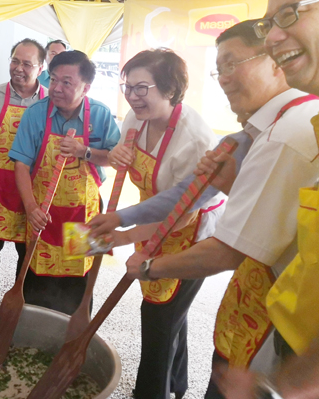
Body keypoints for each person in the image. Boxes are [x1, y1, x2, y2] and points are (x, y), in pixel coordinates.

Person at [121, 19, 319, 397]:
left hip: (270, 311)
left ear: (275, 60)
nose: (224, 78)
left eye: (232, 64)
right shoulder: (262, 130)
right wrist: (123, 219)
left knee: (164, 326)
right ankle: (176, 388)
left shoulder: (280, 136)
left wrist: (145, 262)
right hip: (253, 291)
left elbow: (211, 231)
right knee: (174, 327)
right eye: (219, 69)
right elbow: (261, 211)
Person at [211, 0, 319, 397]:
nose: (274, 37)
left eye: (291, 14)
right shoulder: (292, 125)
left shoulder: (283, 134)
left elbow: (229, 249)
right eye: (269, 23)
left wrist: (280, 387)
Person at [107, 48, 222, 399]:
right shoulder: (134, 118)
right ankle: (177, 386)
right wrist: (115, 156)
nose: (131, 97)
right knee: (173, 316)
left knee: (158, 319)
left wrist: (125, 235)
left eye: (141, 88)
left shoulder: (195, 139)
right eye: (127, 87)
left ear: (170, 89)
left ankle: (151, 392)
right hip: (153, 219)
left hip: (193, 233)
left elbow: (181, 214)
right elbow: (126, 164)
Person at [9, 50, 120, 315]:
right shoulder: (35, 114)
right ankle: (31, 338)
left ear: (86, 87)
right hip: (42, 212)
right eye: (53, 79)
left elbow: (117, 160)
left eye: (66, 82)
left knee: (79, 282)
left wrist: (86, 152)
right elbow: (21, 165)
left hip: (84, 213)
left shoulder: (101, 115)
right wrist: (31, 208)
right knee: (35, 278)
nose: (56, 88)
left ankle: (73, 343)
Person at [0, 39, 47, 301]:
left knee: (27, 258)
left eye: (27, 63)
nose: (19, 68)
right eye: (15, 60)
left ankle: (20, 308)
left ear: (41, 67)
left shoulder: (51, 102)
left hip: (32, 194)